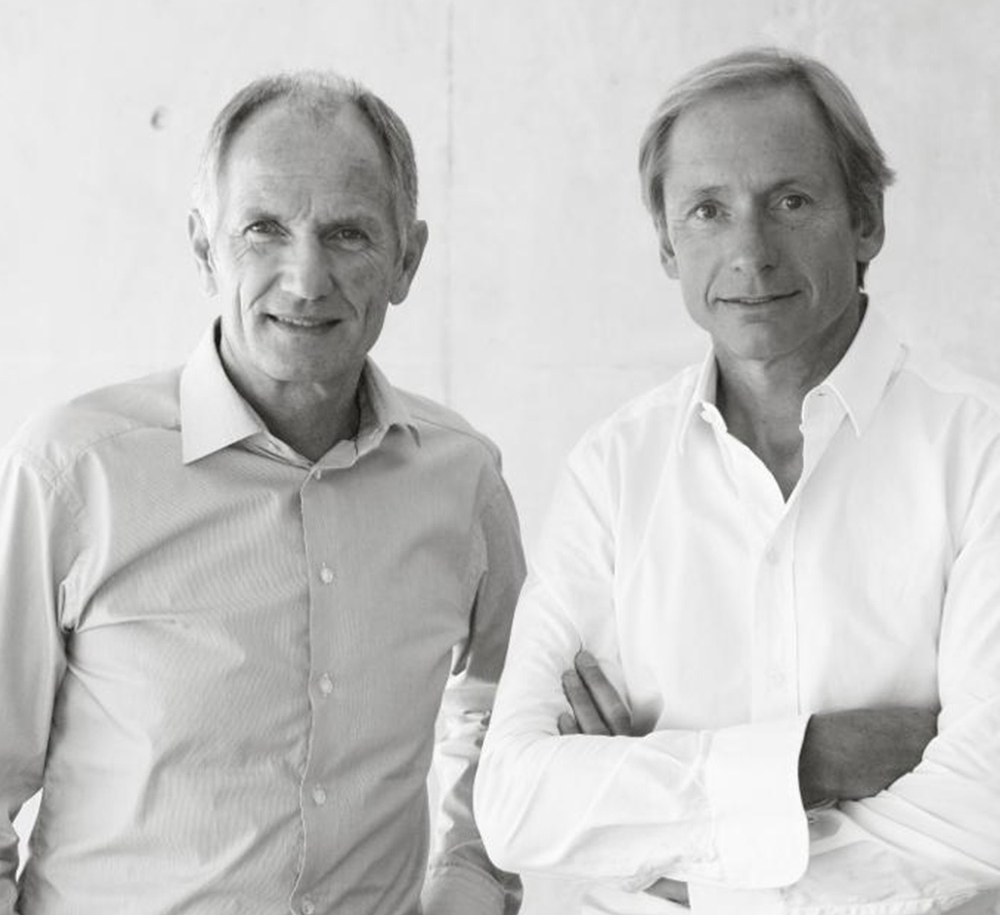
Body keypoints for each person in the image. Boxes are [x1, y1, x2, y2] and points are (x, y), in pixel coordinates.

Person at [474, 48, 1000, 913]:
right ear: (666, 244)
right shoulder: (614, 470)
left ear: (866, 221)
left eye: (790, 202)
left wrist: (672, 851)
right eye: (708, 211)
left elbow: (983, 815)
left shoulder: (980, 451)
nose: (750, 253)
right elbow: (517, 803)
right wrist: (810, 761)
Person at [0, 72, 524, 915]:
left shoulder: (462, 479)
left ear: (407, 260)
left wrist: (469, 882)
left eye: (348, 234)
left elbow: (506, 720)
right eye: (264, 230)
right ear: (203, 248)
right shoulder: (72, 473)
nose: (306, 279)